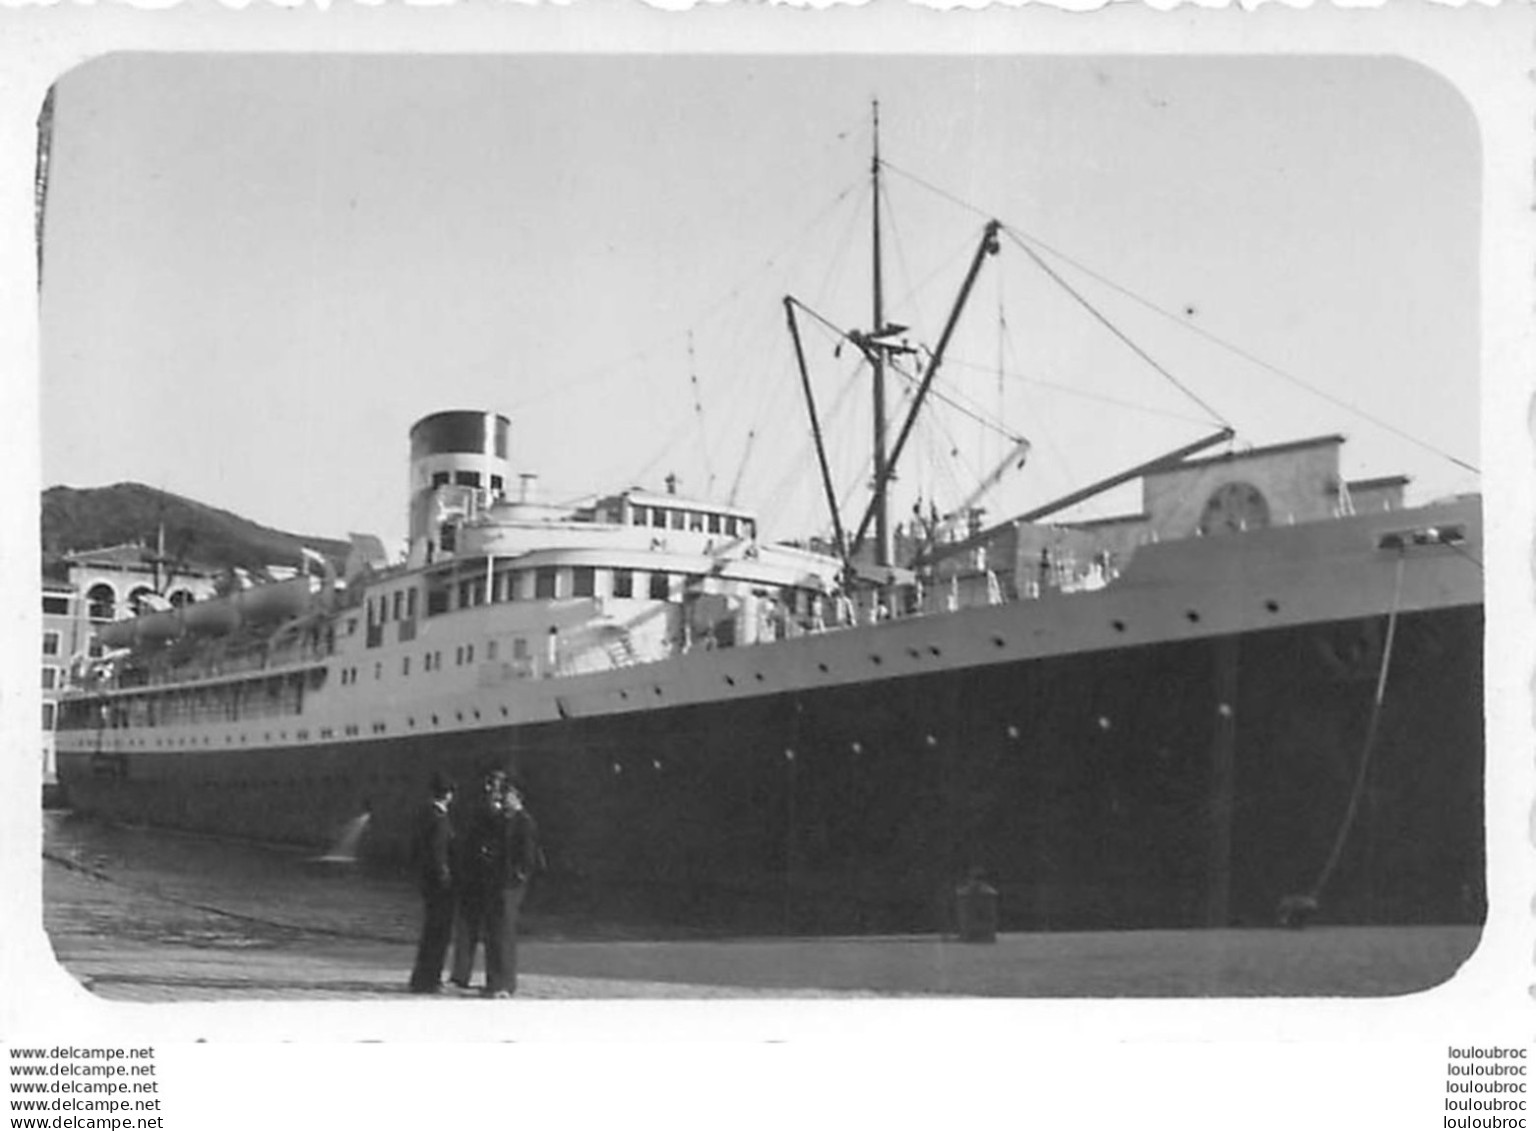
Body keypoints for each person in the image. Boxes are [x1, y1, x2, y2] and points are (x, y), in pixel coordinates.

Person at [481, 781, 540, 998]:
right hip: (497, 881)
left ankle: (504, 983)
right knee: (494, 931)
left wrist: (518, 876)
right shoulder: (503, 820)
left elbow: (528, 855)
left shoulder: (524, 822)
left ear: (518, 797)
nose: (504, 798)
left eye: (508, 794)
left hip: (510, 885)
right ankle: (494, 980)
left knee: (504, 931)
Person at [447, 769, 505, 990]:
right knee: (467, 928)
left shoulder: (497, 812)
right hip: (474, 875)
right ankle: (461, 976)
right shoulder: (479, 808)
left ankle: (490, 979)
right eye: (489, 784)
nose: (491, 789)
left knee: (486, 931)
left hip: (487, 877)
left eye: (495, 785)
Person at [407, 772, 456, 994]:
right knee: (438, 933)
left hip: (426, 881)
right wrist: (445, 877)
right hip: (439, 884)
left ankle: (421, 978)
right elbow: (438, 853)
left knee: (430, 932)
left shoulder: (423, 815)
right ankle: (430, 979)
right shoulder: (440, 818)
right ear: (448, 795)